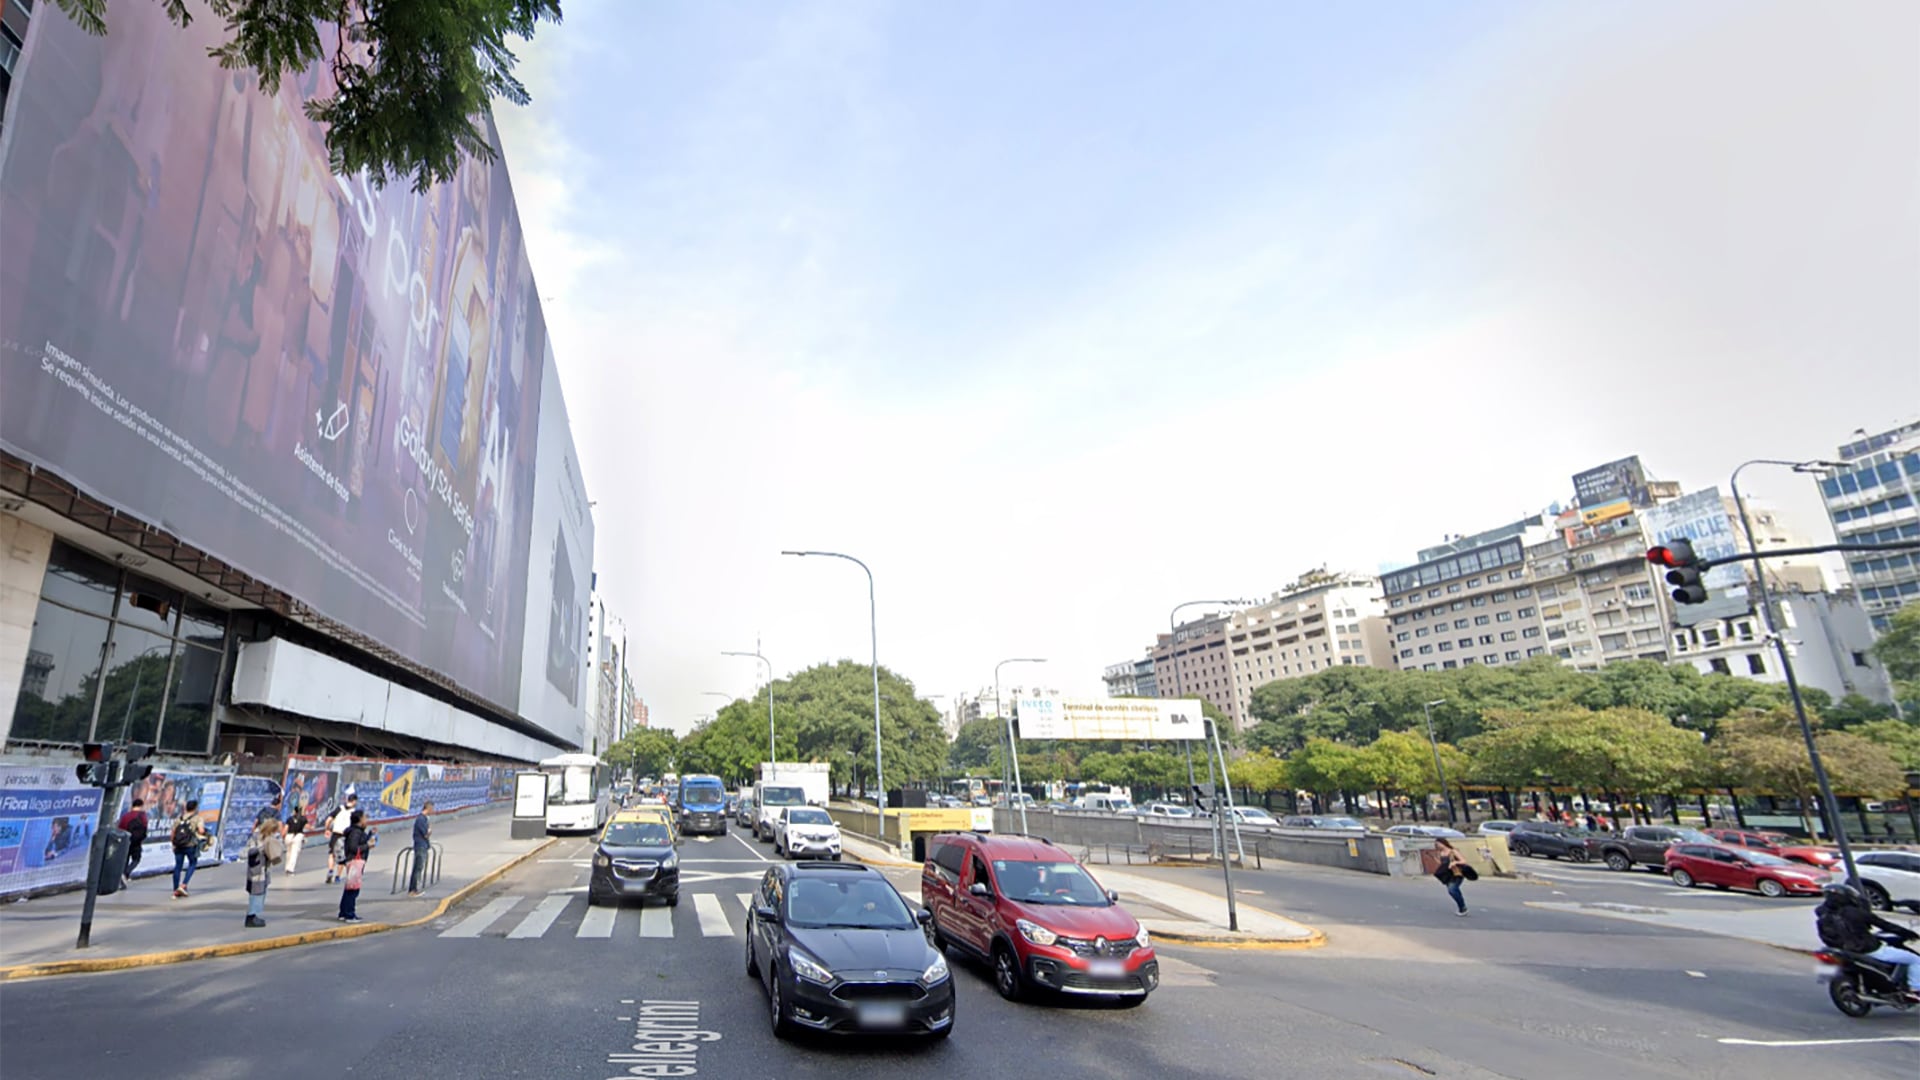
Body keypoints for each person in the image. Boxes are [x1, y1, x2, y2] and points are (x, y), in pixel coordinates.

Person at [1816, 882, 1920, 991]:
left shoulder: (1823, 915)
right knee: (1915, 959)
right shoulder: (1856, 913)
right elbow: (1886, 925)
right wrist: (1909, 933)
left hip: (1843, 950)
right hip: (1867, 949)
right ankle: (1916, 989)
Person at [244, 817, 281, 928]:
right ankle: (251, 916)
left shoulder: (263, 837)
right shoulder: (259, 838)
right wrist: (261, 848)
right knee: (257, 893)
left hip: (261, 869)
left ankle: (254, 915)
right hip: (257, 869)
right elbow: (249, 851)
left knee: (259, 892)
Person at [337, 810, 370, 923]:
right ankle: (349, 914)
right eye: (365, 818)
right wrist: (367, 846)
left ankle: (343, 912)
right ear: (360, 820)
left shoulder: (356, 831)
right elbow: (353, 847)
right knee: (353, 889)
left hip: (354, 861)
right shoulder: (356, 832)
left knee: (349, 887)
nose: (367, 820)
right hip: (355, 862)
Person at [171, 801, 209, 898]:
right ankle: (184, 885)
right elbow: (201, 830)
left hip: (178, 845)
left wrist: (173, 844)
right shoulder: (197, 818)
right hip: (190, 845)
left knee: (178, 866)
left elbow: (173, 832)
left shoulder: (179, 819)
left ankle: (175, 889)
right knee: (192, 863)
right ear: (195, 808)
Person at [1432, 838, 1471, 917]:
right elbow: (1443, 864)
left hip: (1456, 873)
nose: (1437, 846)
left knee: (1452, 889)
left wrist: (1454, 862)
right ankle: (1462, 906)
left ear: (1443, 843)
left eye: (1438, 844)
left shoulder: (1453, 851)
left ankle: (1463, 908)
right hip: (1447, 874)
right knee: (1453, 890)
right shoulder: (1441, 853)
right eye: (1436, 845)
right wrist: (1436, 860)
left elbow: (1463, 861)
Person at [117, 798, 150, 885]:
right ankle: (126, 874)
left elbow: (120, 828)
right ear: (141, 806)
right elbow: (145, 828)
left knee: (125, 860)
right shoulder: (142, 816)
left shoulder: (126, 816)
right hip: (137, 841)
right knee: (136, 859)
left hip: (126, 841)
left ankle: (122, 879)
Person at [327, 793, 357, 885]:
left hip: (335, 834)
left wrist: (327, 829)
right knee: (342, 857)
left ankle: (330, 870)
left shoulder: (339, 808)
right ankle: (337, 876)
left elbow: (328, 819)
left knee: (332, 854)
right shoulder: (354, 812)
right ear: (355, 801)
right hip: (346, 836)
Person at [408, 801, 435, 896]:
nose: (433, 811)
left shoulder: (424, 819)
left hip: (422, 845)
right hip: (420, 845)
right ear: (428, 808)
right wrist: (429, 830)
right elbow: (425, 834)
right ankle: (413, 890)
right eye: (432, 809)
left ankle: (414, 889)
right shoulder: (421, 819)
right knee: (418, 868)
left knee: (418, 867)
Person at [283, 802, 308, 875]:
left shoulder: (290, 819)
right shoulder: (303, 819)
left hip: (289, 836)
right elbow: (307, 826)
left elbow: (285, 829)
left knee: (288, 852)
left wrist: (283, 836)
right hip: (298, 836)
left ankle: (287, 868)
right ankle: (290, 870)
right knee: (294, 853)